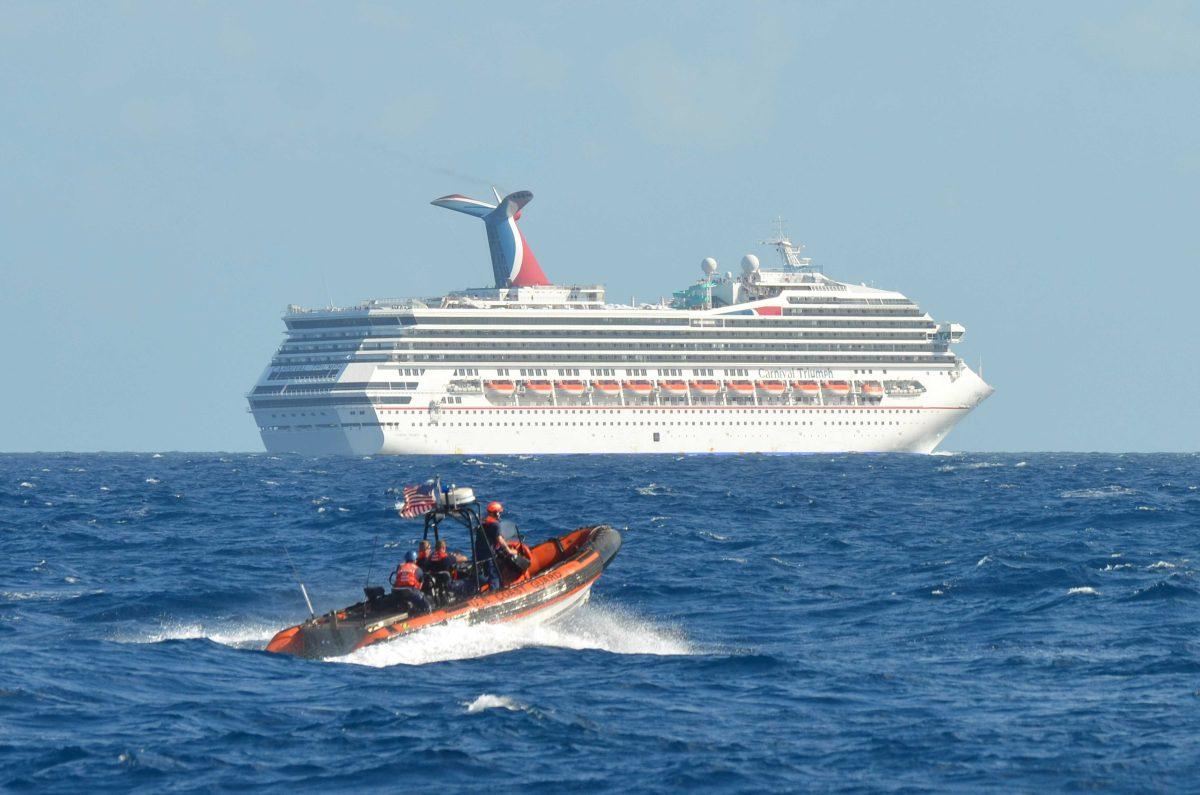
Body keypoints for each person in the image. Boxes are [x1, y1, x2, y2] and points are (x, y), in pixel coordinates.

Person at [391, 550, 431, 615]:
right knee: (422, 597)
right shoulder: (417, 569)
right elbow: (420, 584)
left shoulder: (400, 567)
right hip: (409, 591)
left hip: (397, 590)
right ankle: (428, 612)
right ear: (415, 560)